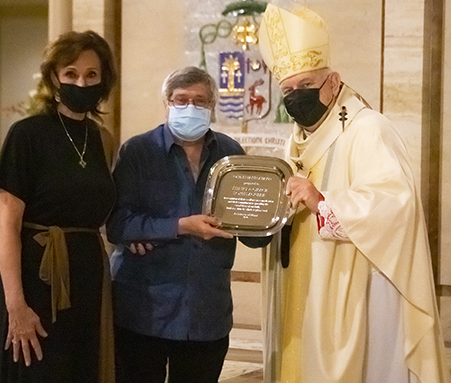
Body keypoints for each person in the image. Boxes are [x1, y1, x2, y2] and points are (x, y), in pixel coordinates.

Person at [257, 3, 450, 383]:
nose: (297, 97)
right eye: (288, 89)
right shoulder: (295, 140)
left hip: (355, 284)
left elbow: (397, 206)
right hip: (303, 280)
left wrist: (322, 202)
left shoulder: (368, 129)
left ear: (332, 82)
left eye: (307, 86)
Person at [106, 66, 269, 383]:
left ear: (212, 107)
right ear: (167, 104)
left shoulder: (230, 155)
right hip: (144, 310)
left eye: (200, 101)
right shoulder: (138, 151)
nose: (190, 108)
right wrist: (180, 226)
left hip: (206, 311)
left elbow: (251, 231)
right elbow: (117, 224)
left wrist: (270, 212)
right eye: (181, 100)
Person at [0, 30, 118, 383]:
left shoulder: (103, 139)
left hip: (86, 278)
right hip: (32, 276)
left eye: (91, 75)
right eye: (70, 73)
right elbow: (7, 225)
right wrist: (16, 306)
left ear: (104, 81)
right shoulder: (26, 134)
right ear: (54, 77)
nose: (80, 82)